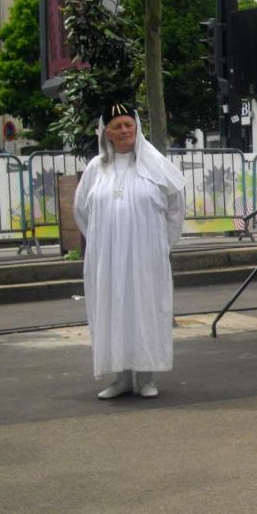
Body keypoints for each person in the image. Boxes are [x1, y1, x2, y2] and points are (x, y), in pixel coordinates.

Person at [74, 102, 185, 399]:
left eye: (128, 125)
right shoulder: (96, 169)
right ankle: (121, 379)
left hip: (146, 256)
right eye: (116, 127)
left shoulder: (155, 164)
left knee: (145, 309)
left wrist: (162, 245)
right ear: (106, 133)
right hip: (108, 260)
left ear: (136, 128)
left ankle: (146, 378)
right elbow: (82, 210)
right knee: (112, 311)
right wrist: (102, 243)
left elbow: (176, 208)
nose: (124, 131)